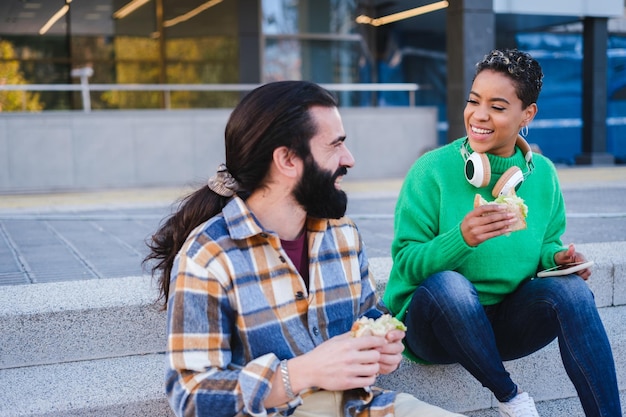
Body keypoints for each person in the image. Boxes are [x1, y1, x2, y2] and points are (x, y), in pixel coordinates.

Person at [144, 80, 465, 417]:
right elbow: (191, 396)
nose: (349, 159)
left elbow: (369, 316)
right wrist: (300, 373)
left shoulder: (344, 235)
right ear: (287, 159)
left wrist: (383, 343)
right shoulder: (208, 257)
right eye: (335, 145)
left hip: (361, 407)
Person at [383, 49, 622, 417]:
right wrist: (460, 238)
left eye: (497, 106)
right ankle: (511, 398)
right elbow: (406, 264)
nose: (478, 115)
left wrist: (557, 259)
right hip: (435, 328)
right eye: (473, 101)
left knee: (573, 291)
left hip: (506, 324)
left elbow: (544, 246)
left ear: (527, 114)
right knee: (450, 285)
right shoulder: (431, 170)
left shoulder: (542, 174)